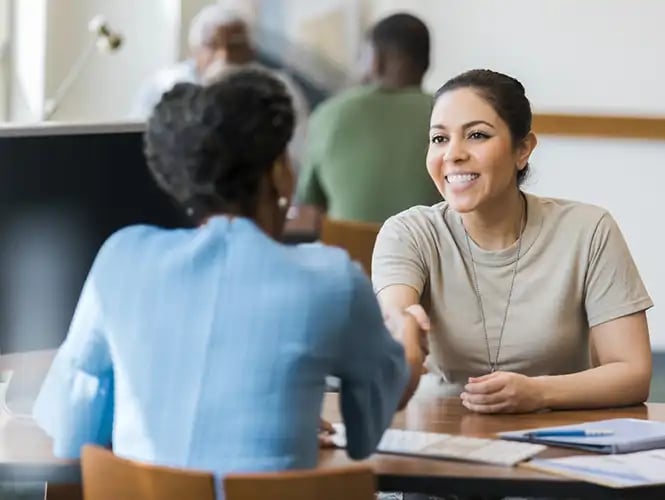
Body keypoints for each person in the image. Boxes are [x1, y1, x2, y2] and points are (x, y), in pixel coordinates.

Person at [32, 69, 427, 485]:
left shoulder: (121, 256)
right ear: (279, 172)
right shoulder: (331, 279)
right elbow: (373, 421)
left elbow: (73, 432)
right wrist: (409, 339)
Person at [373, 69, 653, 412]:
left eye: (476, 135)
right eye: (439, 139)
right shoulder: (408, 232)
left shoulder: (589, 229)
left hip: (555, 438)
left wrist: (537, 393)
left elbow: (632, 372)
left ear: (523, 149)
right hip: (439, 432)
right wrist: (403, 331)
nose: (453, 154)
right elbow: (397, 314)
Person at [292, 13, 441, 228]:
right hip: (426, 258)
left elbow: (309, 206)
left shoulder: (330, 114)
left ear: (376, 61)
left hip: (349, 255)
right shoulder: (449, 115)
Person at [130, 5, 309, 171]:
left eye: (235, 46)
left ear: (251, 50)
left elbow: (296, 155)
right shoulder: (162, 87)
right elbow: (140, 147)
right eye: (212, 45)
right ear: (194, 51)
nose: (224, 55)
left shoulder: (279, 90)